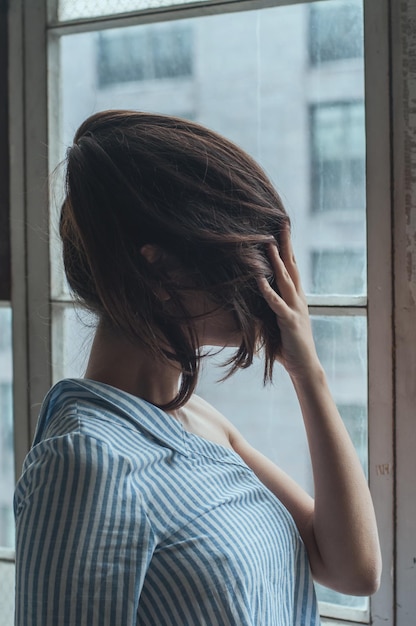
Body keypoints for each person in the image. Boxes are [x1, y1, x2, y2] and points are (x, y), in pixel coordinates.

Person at [14, 110, 381, 626]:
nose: (272, 284)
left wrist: (309, 372)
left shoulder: (199, 421)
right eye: (249, 258)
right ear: (157, 269)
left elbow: (352, 570)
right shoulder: (84, 460)